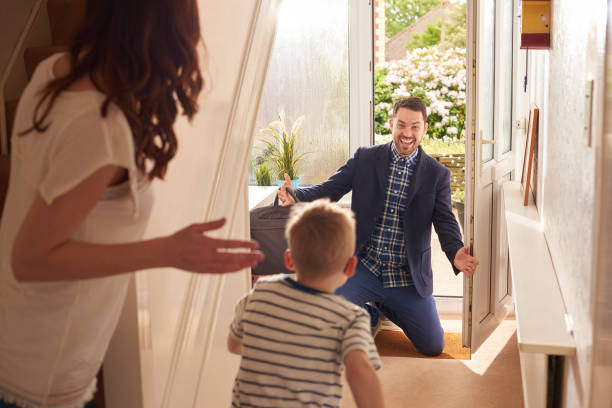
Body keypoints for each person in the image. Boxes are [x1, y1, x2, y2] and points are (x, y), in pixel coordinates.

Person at [0, 1, 264, 407]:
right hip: (41, 374)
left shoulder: (53, 73)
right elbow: (31, 258)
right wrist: (168, 250)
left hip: (20, 341)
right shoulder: (98, 128)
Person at [277, 97, 479, 356]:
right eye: (402, 125)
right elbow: (331, 189)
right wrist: (296, 195)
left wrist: (455, 251)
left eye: (415, 127)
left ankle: (387, 306)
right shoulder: (366, 158)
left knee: (433, 346)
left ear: (424, 129)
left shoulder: (436, 174)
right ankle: (369, 312)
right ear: (392, 124)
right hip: (362, 267)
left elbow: (444, 220)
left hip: (406, 278)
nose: (407, 133)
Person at [227, 199, 384, 408]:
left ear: (289, 259)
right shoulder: (350, 318)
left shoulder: (259, 292)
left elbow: (234, 344)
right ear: (351, 266)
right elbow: (360, 371)